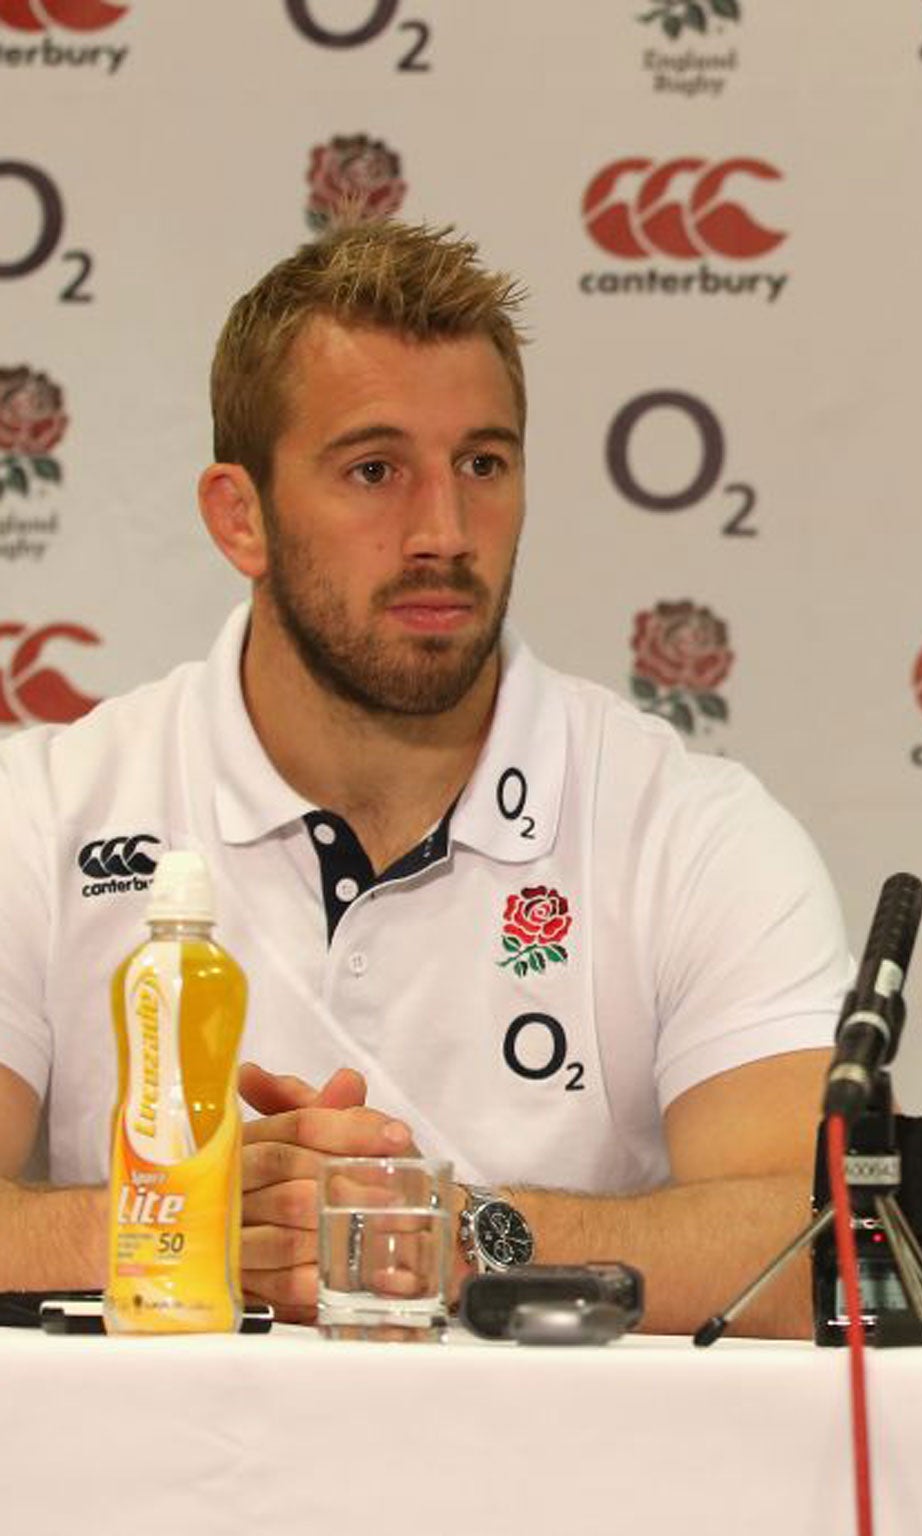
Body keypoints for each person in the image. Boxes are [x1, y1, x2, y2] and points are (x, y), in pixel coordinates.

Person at [0, 220, 851, 1334]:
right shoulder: (43, 811)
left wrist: (460, 1234)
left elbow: (811, 1242)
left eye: (482, 465)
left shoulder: (689, 830)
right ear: (239, 516)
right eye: (374, 470)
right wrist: (193, 1219)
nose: (443, 532)